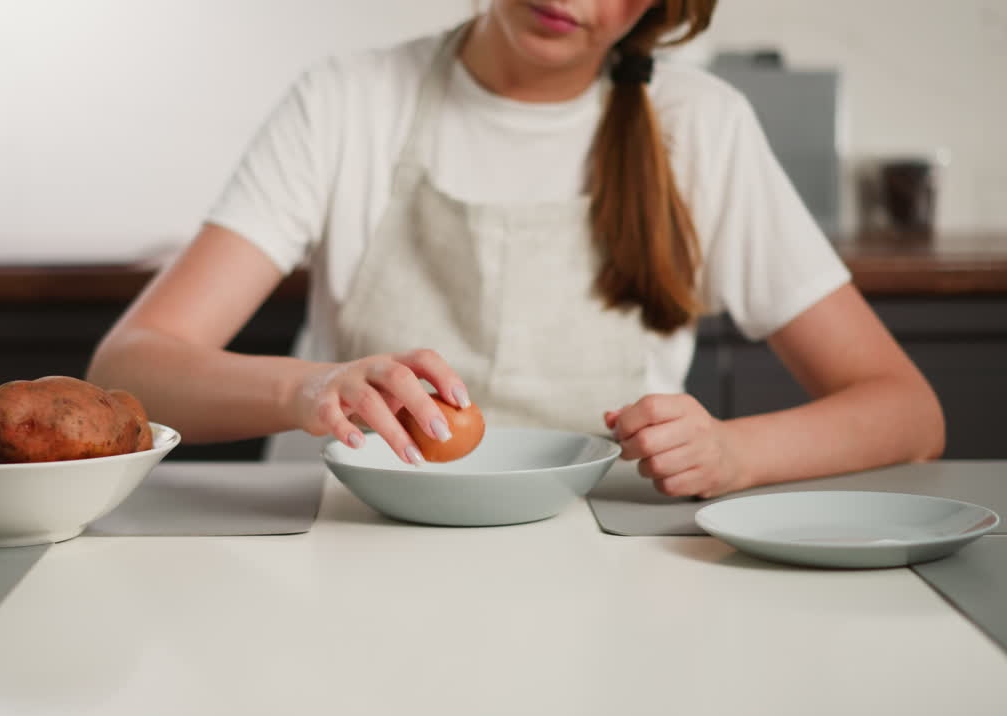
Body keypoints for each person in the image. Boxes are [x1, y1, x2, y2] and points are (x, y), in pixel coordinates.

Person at [87, 0, 944, 498]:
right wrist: (307, 387)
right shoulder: (346, 101)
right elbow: (127, 373)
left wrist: (737, 452)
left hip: (606, 558)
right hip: (346, 544)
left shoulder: (701, 127)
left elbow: (908, 413)